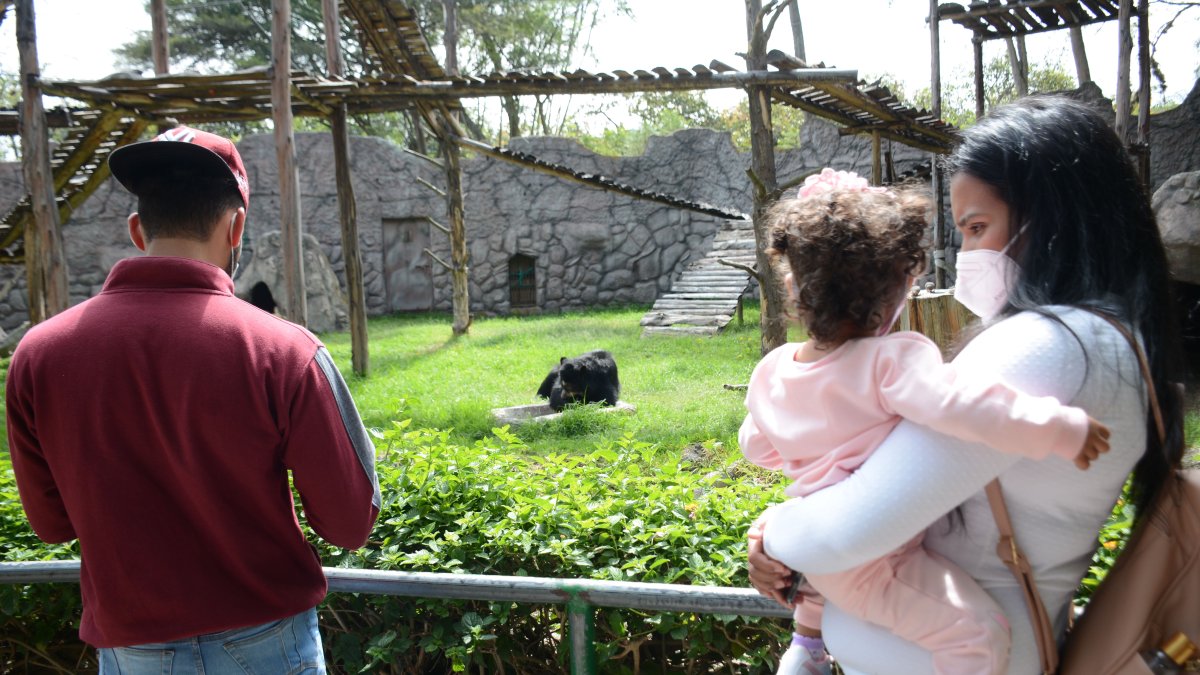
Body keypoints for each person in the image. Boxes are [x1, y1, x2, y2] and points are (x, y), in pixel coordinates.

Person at [745, 95, 1186, 675]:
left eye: (979, 228)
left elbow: (841, 533)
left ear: (1052, 214)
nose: (969, 254)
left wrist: (776, 531)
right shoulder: (1094, 338)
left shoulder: (1054, 344)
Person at [5, 126, 381, 674]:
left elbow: (51, 525)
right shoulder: (286, 351)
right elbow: (352, 522)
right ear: (237, 227)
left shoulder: (36, 356)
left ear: (138, 230)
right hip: (268, 646)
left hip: (129, 651)